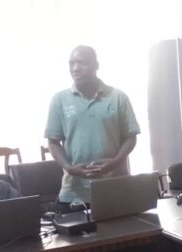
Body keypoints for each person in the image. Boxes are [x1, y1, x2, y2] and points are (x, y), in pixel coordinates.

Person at [45, 46, 140, 207]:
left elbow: (130, 137)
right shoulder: (59, 100)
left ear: (96, 65)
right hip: (74, 192)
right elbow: (53, 142)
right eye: (71, 63)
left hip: (116, 187)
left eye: (82, 63)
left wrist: (115, 162)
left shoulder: (118, 97)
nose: (75, 68)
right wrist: (69, 168)